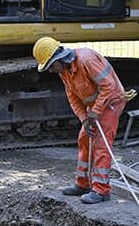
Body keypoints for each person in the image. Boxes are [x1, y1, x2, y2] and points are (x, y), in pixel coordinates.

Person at [33, 36, 127, 204]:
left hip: (111, 102)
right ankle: (83, 184)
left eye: (50, 66)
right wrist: (84, 119)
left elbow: (108, 86)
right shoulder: (64, 71)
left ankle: (101, 190)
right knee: (84, 138)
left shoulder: (87, 60)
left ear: (59, 58)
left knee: (100, 144)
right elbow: (72, 97)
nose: (50, 71)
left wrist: (96, 111)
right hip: (96, 106)